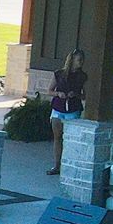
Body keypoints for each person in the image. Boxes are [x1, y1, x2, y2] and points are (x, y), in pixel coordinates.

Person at [45, 48, 86, 176]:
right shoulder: (59, 74)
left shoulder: (83, 76)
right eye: (79, 60)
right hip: (58, 108)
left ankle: (70, 164)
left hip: (73, 109)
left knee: (71, 139)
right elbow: (49, 90)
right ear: (72, 60)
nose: (81, 62)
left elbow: (85, 96)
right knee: (57, 138)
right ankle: (57, 165)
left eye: (82, 60)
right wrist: (58, 93)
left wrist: (76, 95)